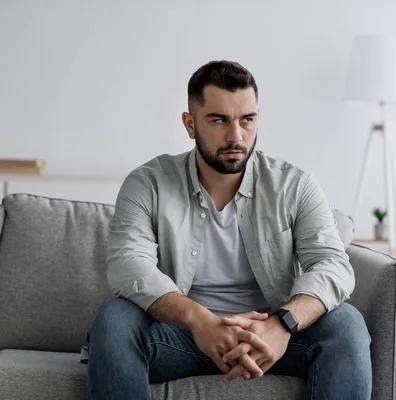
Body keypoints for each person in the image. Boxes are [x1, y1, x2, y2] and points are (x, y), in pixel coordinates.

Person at [86, 60, 372, 400]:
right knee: (115, 320)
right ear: (190, 125)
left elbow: (333, 265)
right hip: (183, 337)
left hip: (272, 337)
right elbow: (127, 266)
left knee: (347, 324)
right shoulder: (148, 183)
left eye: (246, 120)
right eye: (219, 120)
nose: (236, 136)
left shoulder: (294, 185)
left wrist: (282, 324)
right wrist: (200, 321)